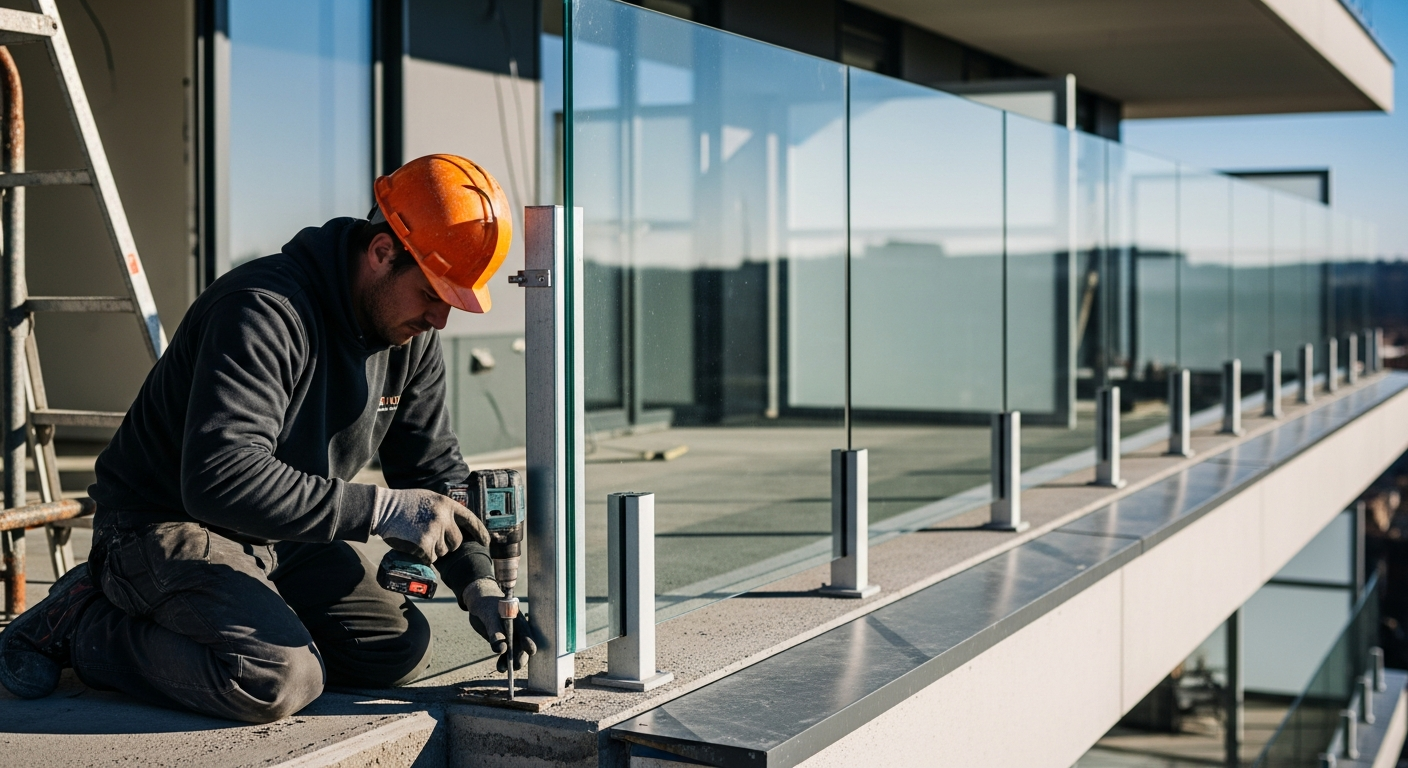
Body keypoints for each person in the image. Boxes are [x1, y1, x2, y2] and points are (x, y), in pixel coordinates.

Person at [0, 154, 534, 723]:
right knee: (276, 676)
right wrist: (379, 509)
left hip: (281, 533)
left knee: (393, 648)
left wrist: (478, 584)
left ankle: (221, 608)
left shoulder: (410, 339)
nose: (440, 319)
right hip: (164, 522)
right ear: (382, 253)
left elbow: (430, 470)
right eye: (434, 293)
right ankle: (83, 621)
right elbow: (221, 477)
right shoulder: (264, 309)